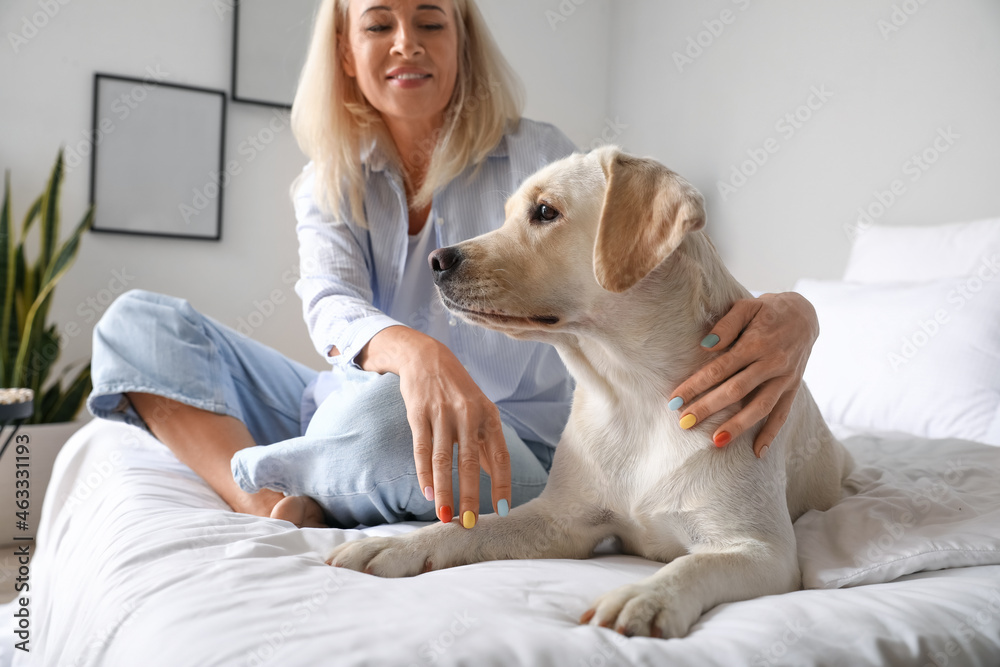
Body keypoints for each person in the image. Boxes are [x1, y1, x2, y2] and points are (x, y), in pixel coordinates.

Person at [87, 0, 820, 531]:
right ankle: (266, 502)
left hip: (500, 432)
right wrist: (414, 352)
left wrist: (799, 313)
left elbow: (662, 258)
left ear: (461, 41)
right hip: (336, 393)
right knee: (136, 323)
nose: (406, 43)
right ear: (347, 51)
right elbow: (329, 305)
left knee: (379, 425)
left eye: (431, 21)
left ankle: (301, 461)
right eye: (379, 24)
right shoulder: (326, 180)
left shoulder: (542, 162)